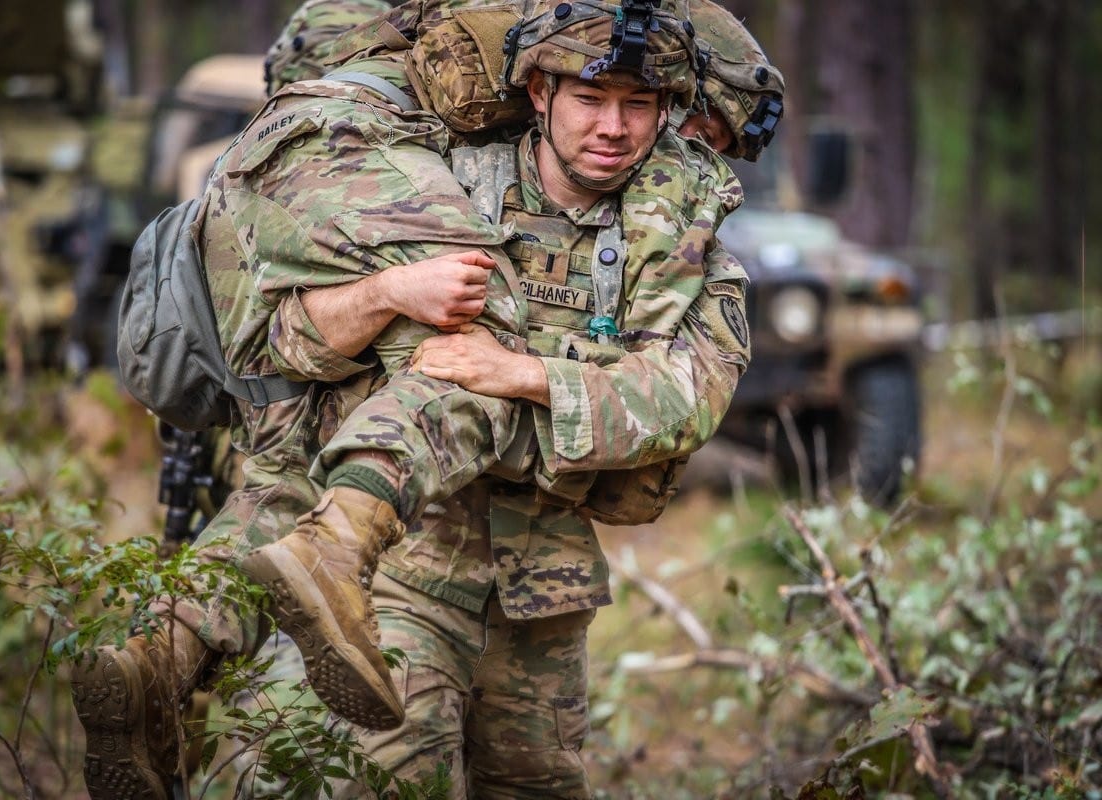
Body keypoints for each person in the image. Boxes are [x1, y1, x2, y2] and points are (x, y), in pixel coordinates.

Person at [70, 2, 783, 797]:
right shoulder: (438, 190)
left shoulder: (684, 257)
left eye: (642, 107)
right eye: (590, 98)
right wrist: (387, 292)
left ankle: (173, 657)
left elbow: (685, 399)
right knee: (384, 778)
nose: (615, 128)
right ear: (539, 94)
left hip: (543, 592)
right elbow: (281, 345)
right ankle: (172, 660)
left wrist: (522, 374)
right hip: (401, 571)